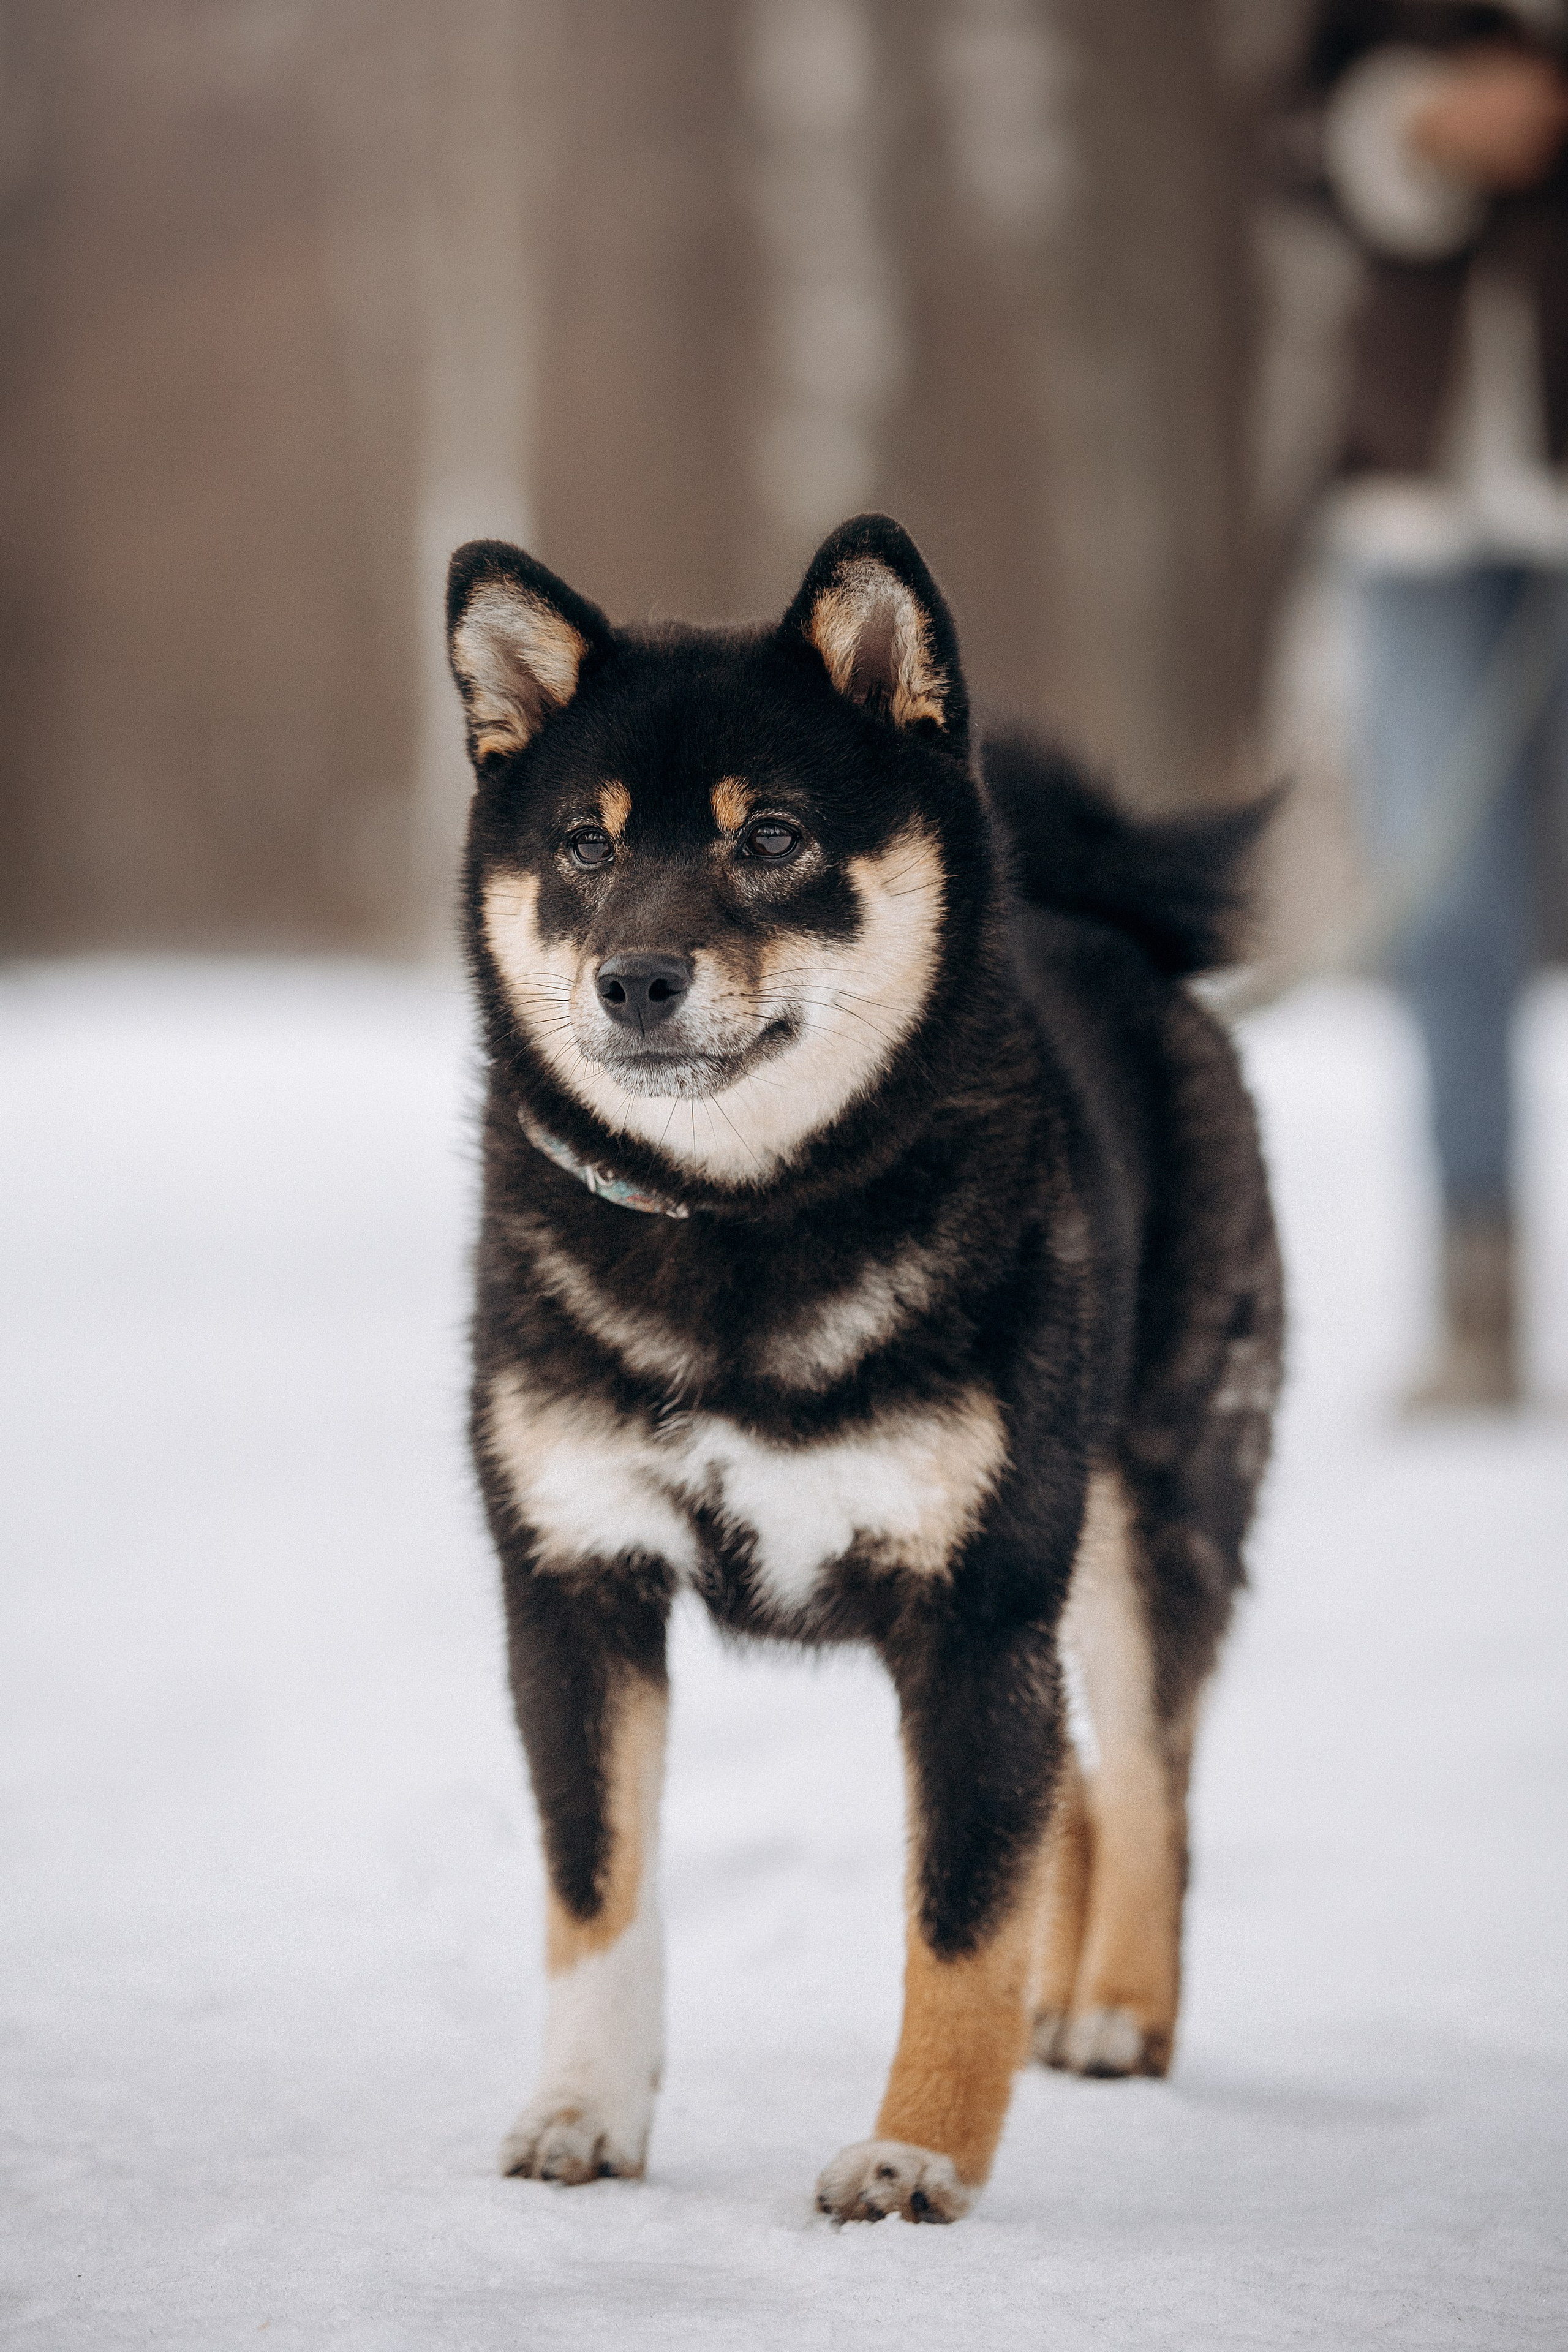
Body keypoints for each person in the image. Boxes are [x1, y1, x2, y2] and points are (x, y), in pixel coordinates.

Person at [1305, 1, 1568, 1406]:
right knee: (1447, 904)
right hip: (1417, 495)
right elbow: (1284, 137)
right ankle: (1477, 1293)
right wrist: (1413, 125)